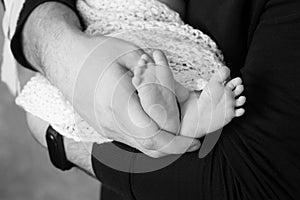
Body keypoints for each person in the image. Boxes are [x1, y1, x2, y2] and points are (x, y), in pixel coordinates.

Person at [2, 0, 300, 200]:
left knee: (152, 75)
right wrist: (52, 44)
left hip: (141, 28)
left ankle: (177, 116)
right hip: (104, 32)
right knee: (151, 75)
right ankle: (181, 114)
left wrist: (58, 139)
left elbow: (251, 183)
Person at [14, 0, 246, 145]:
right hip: (111, 31)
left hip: (128, 23)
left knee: (141, 63)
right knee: (155, 66)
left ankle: (177, 111)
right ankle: (184, 110)